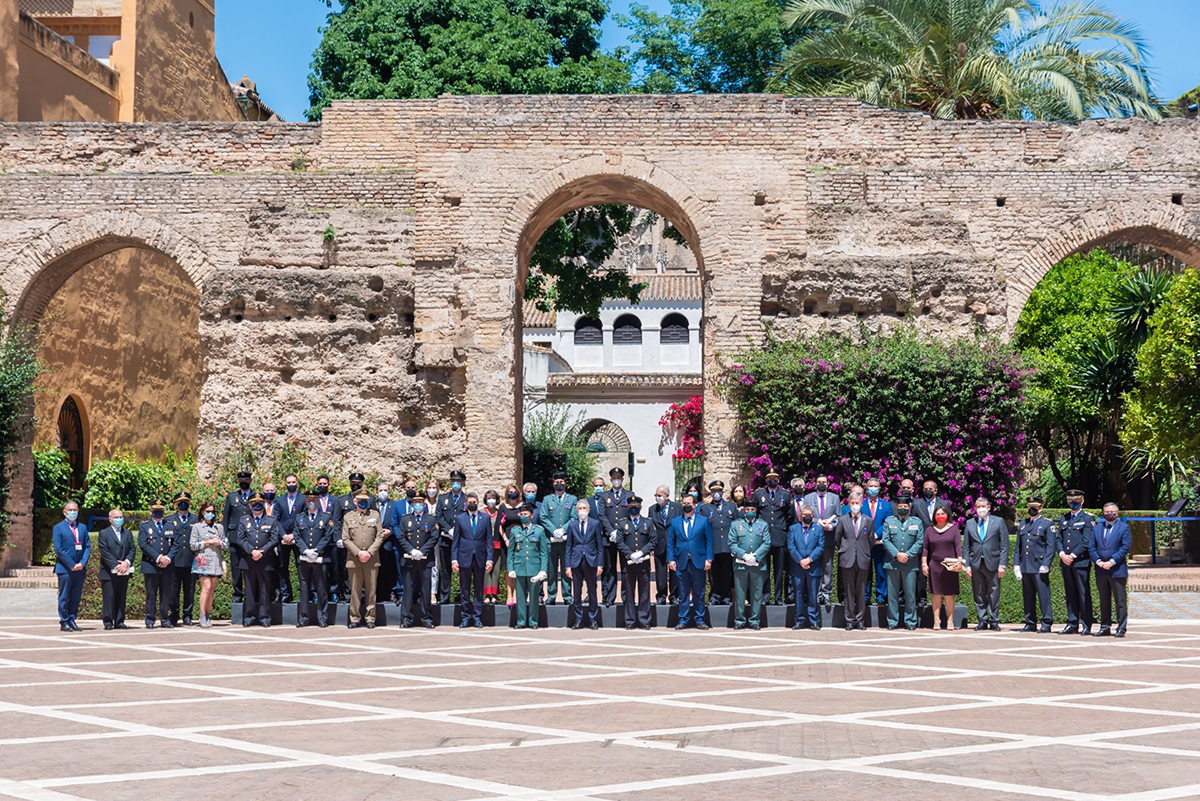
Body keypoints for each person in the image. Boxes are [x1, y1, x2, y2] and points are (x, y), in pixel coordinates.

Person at [236, 492, 282, 628]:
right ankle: (249, 616)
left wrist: (262, 551)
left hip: (265, 560)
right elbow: (240, 539)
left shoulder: (271, 521)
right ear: (249, 506)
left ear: (264, 504)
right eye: (254, 503)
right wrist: (252, 551)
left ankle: (264, 617)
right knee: (249, 590)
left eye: (259, 503)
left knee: (265, 590)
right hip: (248, 560)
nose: (257, 506)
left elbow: (274, 539)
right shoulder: (244, 520)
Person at [962, 496, 1009, 631]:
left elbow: (1005, 545)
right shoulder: (970, 523)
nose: (981, 509)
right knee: (978, 593)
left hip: (993, 563)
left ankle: (994, 620)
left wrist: (1002, 565)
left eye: (983, 506)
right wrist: (967, 566)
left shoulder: (998, 522)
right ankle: (982, 620)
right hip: (976, 563)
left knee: (994, 592)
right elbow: (966, 546)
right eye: (978, 507)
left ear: (989, 507)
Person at [668, 493, 713, 630]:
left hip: (698, 561)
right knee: (683, 593)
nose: (686, 505)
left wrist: (709, 559)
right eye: (684, 503)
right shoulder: (675, 522)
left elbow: (709, 541)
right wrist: (670, 560)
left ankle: (700, 619)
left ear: (695, 505)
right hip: (681, 562)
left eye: (688, 503)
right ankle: (683, 619)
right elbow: (671, 542)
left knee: (699, 593)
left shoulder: (703, 521)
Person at [341, 488, 385, 628]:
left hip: (371, 559)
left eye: (365, 500)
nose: (363, 503)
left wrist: (369, 552)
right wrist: (358, 553)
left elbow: (380, 536)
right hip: (354, 559)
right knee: (355, 590)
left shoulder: (375, 515)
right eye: (360, 500)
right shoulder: (348, 517)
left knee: (371, 590)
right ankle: (354, 618)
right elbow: (345, 539)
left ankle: (370, 618)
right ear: (355, 501)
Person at [880, 494, 923, 630]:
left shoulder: (917, 522)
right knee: (892, 595)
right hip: (893, 563)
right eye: (900, 506)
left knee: (910, 594)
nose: (903, 508)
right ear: (896, 508)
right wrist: (897, 554)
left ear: (909, 507)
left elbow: (919, 541)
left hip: (910, 564)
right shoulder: (889, 521)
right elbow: (885, 540)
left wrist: (908, 555)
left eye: (905, 506)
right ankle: (892, 621)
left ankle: (910, 621)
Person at [1055, 488, 1095, 636]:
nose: (1073, 503)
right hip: (1066, 562)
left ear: (1082, 501)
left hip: (1080, 562)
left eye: (1076, 500)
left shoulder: (1088, 519)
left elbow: (1087, 541)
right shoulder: (1064, 518)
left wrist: (1071, 555)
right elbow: (1058, 539)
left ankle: (1086, 624)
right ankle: (1072, 623)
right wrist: (1061, 554)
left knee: (1083, 593)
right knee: (1070, 594)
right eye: (1070, 500)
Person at [452, 491, 493, 628]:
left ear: (478, 502)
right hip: (464, 557)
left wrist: (490, 559)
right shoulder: (460, 518)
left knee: (479, 589)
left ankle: (477, 616)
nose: (472, 504)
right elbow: (455, 541)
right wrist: (454, 560)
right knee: (465, 589)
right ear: (466, 504)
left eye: (474, 502)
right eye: (469, 502)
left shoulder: (485, 518)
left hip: (480, 558)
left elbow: (489, 541)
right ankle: (465, 617)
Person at [293, 489, 333, 628]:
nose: (311, 502)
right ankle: (304, 617)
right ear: (306, 501)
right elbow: (296, 536)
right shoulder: (300, 518)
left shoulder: (326, 517)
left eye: (314, 500)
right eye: (309, 500)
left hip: (319, 558)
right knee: (304, 588)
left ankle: (322, 617)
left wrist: (316, 550)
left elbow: (328, 536)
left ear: (318, 501)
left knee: (321, 588)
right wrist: (305, 550)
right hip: (304, 558)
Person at [398, 490, 438, 628]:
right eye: (415, 503)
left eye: (420, 503)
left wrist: (422, 551)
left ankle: (426, 618)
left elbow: (434, 537)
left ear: (424, 504)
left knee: (425, 590)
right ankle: (406, 619)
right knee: (408, 591)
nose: (418, 505)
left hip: (425, 560)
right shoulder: (405, 519)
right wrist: (411, 550)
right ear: (412, 504)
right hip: (409, 560)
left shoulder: (431, 520)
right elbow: (401, 537)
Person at [616, 495, 657, 630]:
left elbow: (653, 541)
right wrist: (630, 554)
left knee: (644, 593)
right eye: (631, 507)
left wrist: (641, 553)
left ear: (641, 507)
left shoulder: (648, 523)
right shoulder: (622, 523)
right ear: (628, 508)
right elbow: (619, 542)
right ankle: (630, 620)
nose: (634, 509)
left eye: (636, 507)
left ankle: (644, 620)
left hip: (643, 563)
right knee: (628, 593)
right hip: (628, 563)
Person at [1015, 496, 1054, 633]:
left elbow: (1050, 546)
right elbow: (1018, 547)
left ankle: (1047, 622)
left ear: (1041, 508)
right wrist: (1016, 565)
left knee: (1044, 595)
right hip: (1026, 565)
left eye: (1035, 507)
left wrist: (1046, 564)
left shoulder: (1047, 524)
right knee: (1028, 595)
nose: (1032, 509)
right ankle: (1030, 622)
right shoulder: (1023, 524)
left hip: (1039, 565)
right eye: (1030, 507)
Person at [835, 492, 873, 630]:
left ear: (862, 504)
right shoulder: (842, 520)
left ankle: (860, 620)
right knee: (849, 591)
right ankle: (850, 620)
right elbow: (837, 539)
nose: (855, 505)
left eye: (857, 503)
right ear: (848, 504)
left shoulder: (868, 520)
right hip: (847, 559)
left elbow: (871, 540)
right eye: (852, 503)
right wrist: (846, 550)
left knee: (861, 591)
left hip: (863, 559)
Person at [753, 471, 792, 606]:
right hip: (763, 538)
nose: (772, 480)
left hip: (779, 536)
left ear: (778, 479)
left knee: (779, 570)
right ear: (766, 480)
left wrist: (783, 529)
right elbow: (756, 514)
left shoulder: (785, 495)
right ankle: (765, 596)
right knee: (764, 569)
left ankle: (778, 597)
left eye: (775, 478)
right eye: (770, 478)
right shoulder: (759, 494)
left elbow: (790, 515)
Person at [331, 472, 372, 603]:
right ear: (349, 484)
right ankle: (348, 594)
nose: (355, 485)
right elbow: (336, 520)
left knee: (364, 567)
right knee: (347, 568)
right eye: (353, 483)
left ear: (362, 484)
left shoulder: (370, 500)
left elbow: (375, 519)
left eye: (358, 483)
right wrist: (338, 538)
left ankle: (363, 594)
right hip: (346, 541)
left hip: (363, 541)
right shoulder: (341, 500)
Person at [730, 499, 770, 630]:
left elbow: (766, 543)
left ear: (756, 511)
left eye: (753, 510)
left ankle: (754, 620)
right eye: (748, 510)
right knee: (740, 594)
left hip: (757, 565)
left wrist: (755, 556)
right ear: (743, 511)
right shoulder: (736, 525)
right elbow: (732, 543)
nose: (750, 512)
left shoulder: (762, 525)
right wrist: (743, 555)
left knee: (756, 594)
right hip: (741, 564)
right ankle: (740, 620)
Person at [1093, 502, 1131, 638]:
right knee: (1104, 600)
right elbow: (1091, 547)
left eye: (1112, 512)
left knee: (1120, 601)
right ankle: (1105, 626)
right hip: (1101, 570)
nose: (1109, 514)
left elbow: (1125, 548)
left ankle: (1121, 628)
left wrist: (1111, 561)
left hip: (1117, 570)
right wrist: (1098, 561)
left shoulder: (1124, 528)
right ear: (1103, 512)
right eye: (1106, 511)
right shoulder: (1097, 528)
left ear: (1117, 513)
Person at [508, 503, 549, 629]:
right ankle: (521, 621)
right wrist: (510, 568)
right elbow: (511, 551)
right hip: (519, 567)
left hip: (534, 568)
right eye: (521, 514)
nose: (522, 516)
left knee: (534, 596)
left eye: (525, 514)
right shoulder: (515, 530)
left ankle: (533, 621)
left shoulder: (539, 530)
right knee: (520, 597)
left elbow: (543, 552)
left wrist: (543, 570)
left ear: (531, 515)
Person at [565, 498, 605, 629]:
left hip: (591, 561)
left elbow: (600, 546)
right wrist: (568, 565)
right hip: (576, 561)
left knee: (592, 591)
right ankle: (578, 619)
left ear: (588, 510)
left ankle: (593, 619)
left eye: (584, 509)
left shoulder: (595, 524)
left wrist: (600, 564)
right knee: (576, 593)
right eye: (580, 509)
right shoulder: (572, 525)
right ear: (576, 511)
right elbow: (568, 546)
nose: (582, 511)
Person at [539, 471, 576, 606]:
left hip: (566, 540)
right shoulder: (547, 499)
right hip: (551, 540)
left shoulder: (572, 499)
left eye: (562, 481)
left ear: (565, 483)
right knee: (551, 569)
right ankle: (552, 595)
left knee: (567, 569)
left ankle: (567, 596)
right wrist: (554, 530)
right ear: (553, 483)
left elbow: (574, 517)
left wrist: (563, 530)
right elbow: (543, 517)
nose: (559, 484)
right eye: (556, 482)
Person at [698, 480, 738, 605]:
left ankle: (726, 596)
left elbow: (737, 526)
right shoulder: (705, 509)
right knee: (713, 574)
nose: (716, 493)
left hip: (727, 546)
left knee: (727, 573)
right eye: (714, 491)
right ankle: (714, 596)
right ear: (711, 493)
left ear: (722, 492)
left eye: (718, 491)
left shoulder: (731, 507)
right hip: (712, 547)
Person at [803, 475, 841, 605]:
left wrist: (830, 526)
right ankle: (815, 594)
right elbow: (804, 515)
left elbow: (839, 517)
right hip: (813, 538)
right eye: (819, 482)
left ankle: (826, 594)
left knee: (827, 565)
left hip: (828, 537)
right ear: (815, 484)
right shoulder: (808, 498)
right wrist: (817, 521)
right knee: (814, 565)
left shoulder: (834, 498)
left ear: (828, 483)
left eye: (824, 482)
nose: (821, 484)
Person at [922, 506, 961, 630]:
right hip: (935, 565)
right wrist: (924, 564)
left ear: (947, 515)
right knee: (936, 594)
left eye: (942, 513)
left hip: (950, 566)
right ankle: (936, 620)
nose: (940, 516)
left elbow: (958, 546)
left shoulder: (954, 529)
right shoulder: (929, 530)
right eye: (937, 513)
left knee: (950, 594)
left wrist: (959, 562)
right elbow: (925, 548)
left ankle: (950, 620)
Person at [139, 498, 176, 629]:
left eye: (161, 510)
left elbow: (175, 545)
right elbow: (143, 544)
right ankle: (150, 619)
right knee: (151, 594)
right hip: (151, 565)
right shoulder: (144, 526)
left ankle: (165, 619)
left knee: (166, 594)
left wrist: (168, 558)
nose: (158, 512)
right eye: (156, 510)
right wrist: (159, 557)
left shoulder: (170, 525)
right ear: (151, 511)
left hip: (167, 566)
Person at [190, 502, 228, 629]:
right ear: (202, 512)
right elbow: (193, 545)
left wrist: (219, 543)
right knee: (206, 587)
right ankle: (201, 615)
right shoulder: (197, 527)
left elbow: (225, 544)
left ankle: (207, 614)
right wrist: (208, 542)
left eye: (212, 511)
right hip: (203, 559)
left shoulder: (219, 527)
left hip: (216, 559)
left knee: (211, 589)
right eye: (207, 511)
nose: (210, 514)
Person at [787, 504, 823, 631]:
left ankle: (814, 621)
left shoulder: (818, 529)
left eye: (810, 515)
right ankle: (799, 620)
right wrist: (800, 561)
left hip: (813, 567)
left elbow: (820, 547)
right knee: (799, 594)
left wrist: (809, 559)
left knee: (813, 595)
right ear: (800, 516)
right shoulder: (793, 529)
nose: (807, 517)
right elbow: (791, 547)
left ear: (813, 516)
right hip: (798, 567)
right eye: (805, 515)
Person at [598, 467, 631, 606]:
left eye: (619, 478)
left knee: (625, 569)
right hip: (608, 538)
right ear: (611, 480)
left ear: (623, 479)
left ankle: (626, 598)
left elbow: (631, 514)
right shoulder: (604, 497)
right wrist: (611, 531)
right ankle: (609, 597)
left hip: (624, 538)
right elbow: (602, 515)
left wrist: (620, 532)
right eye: (614, 478)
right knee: (609, 568)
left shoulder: (630, 495)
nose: (616, 480)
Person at [97, 507, 134, 630]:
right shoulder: (104, 533)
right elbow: (105, 551)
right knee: (109, 597)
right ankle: (108, 621)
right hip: (108, 571)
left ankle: (119, 621)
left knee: (121, 596)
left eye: (121, 517)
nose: (119, 520)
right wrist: (116, 565)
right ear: (110, 519)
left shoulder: (127, 533)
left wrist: (126, 563)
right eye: (116, 517)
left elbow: (132, 550)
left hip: (124, 571)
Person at [384, 479, 419, 605]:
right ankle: (401, 593)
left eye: (413, 487)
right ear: (404, 489)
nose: (410, 489)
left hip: (416, 544)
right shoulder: (397, 505)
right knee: (400, 569)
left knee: (415, 570)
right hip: (400, 544)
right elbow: (394, 524)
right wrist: (402, 539)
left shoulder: (420, 504)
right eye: (408, 487)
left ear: (416, 489)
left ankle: (414, 594)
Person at [164, 491, 197, 626]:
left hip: (190, 560)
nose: (183, 505)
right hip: (175, 561)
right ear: (176, 504)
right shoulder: (169, 520)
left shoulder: (195, 519)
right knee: (173, 591)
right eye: (180, 502)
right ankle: (174, 614)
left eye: (186, 502)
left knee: (189, 590)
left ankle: (187, 615)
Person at [436, 470, 468, 604]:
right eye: (453, 481)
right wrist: (449, 530)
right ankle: (445, 596)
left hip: (461, 540)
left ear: (463, 483)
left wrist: (459, 531)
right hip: (446, 538)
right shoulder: (443, 499)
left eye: (458, 481)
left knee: (463, 569)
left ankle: (463, 596)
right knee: (446, 569)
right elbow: (439, 516)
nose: (455, 484)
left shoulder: (466, 499)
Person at [222, 469, 255, 603]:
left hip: (249, 539)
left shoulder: (255, 495)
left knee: (249, 567)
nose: (244, 482)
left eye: (246, 480)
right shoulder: (232, 497)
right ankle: (237, 594)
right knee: (235, 568)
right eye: (241, 480)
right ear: (238, 481)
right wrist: (224, 536)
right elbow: (226, 518)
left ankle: (250, 594)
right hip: (234, 538)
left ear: (250, 481)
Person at [862, 477, 893, 607]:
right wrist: (868, 536)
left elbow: (887, 522)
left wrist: (875, 535)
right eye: (871, 486)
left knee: (881, 571)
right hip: (864, 543)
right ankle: (865, 596)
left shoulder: (886, 505)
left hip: (879, 544)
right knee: (865, 571)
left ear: (879, 489)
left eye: (875, 486)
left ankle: (881, 596)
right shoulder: (861, 504)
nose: (873, 488)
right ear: (866, 488)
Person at [649, 485, 681, 604]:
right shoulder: (652, 509)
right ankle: (661, 596)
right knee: (660, 573)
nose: (657, 498)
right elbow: (651, 528)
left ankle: (674, 596)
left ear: (667, 496)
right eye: (656, 495)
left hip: (674, 545)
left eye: (660, 495)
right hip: (659, 545)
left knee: (674, 572)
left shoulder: (677, 508)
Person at [490, 486, 521, 604]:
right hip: (507, 542)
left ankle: (517, 594)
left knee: (518, 568)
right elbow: (499, 525)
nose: (512, 494)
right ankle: (509, 595)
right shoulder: (503, 507)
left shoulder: (521, 506)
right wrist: (506, 540)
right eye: (510, 492)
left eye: (514, 492)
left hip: (520, 541)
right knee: (508, 569)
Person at [276, 474, 303, 604]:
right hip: (283, 539)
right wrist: (284, 535)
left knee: (301, 566)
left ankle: (304, 593)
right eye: (288, 482)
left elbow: (305, 518)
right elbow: (276, 520)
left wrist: (294, 535)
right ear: (285, 484)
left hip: (298, 538)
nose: (291, 484)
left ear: (297, 483)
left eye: (293, 482)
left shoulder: (303, 499)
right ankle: (285, 594)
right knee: (282, 567)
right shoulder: (279, 500)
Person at [374, 481, 399, 605]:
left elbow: (397, 522)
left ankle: (391, 592)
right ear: (376, 491)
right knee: (376, 570)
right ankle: (377, 593)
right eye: (380, 490)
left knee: (389, 569)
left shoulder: (394, 505)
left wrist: (390, 532)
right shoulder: (372, 505)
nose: (383, 493)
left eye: (385, 490)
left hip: (389, 542)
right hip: (373, 543)